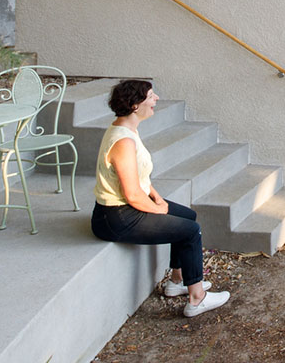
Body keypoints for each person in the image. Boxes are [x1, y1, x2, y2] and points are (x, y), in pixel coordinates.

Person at [90, 80, 230, 317]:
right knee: (190, 230)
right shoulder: (123, 141)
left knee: (188, 215)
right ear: (135, 105)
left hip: (127, 207)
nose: (156, 99)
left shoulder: (129, 131)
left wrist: (157, 198)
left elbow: (141, 177)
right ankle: (197, 298)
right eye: (151, 96)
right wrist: (160, 210)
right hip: (116, 217)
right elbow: (132, 194)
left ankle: (177, 280)